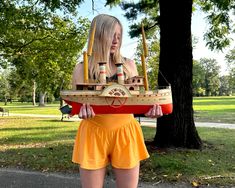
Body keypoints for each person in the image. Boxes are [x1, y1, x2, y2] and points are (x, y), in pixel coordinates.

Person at [71, 14, 163, 188]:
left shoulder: (129, 65)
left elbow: (136, 101)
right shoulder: (81, 68)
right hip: (93, 132)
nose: (116, 40)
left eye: (119, 36)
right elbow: (77, 105)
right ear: (98, 35)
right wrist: (80, 112)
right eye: (111, 34)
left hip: (126, 132)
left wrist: (149, 110)